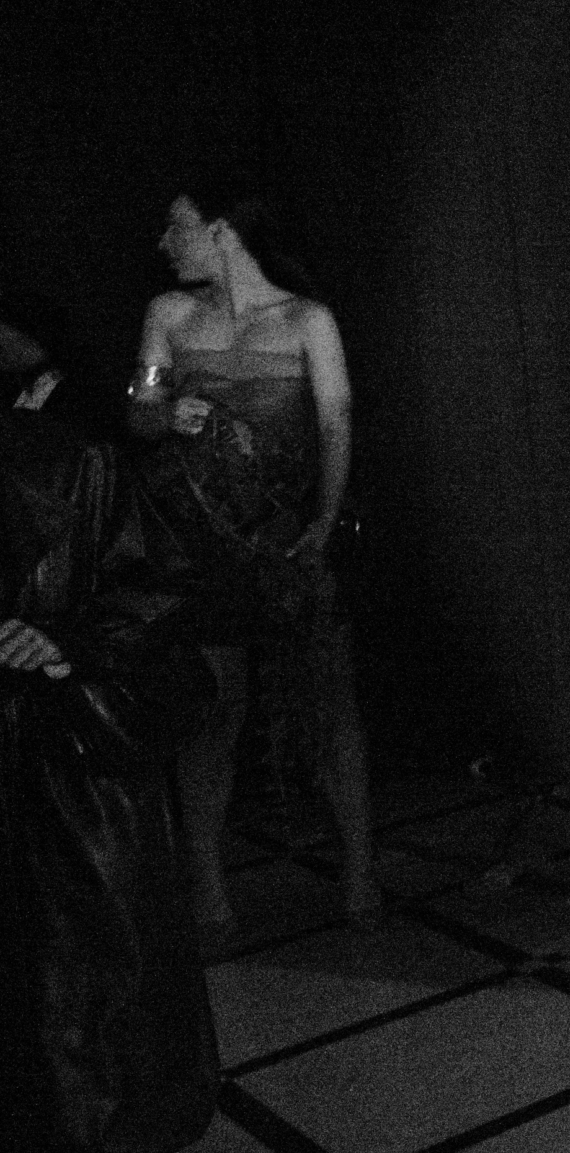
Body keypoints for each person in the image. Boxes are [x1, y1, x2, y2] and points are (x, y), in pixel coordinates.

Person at [0, 300, 217, 1153]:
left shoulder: (71, 468)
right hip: (65, 794)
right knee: (74, 1037)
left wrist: (67, 646)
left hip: (66, 796)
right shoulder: (73, 462)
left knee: (84, 1034)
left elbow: (157, 621)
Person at [127, 183, 374, 946]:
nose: (165, 241)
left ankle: (360, 871)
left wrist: (324, 523)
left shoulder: (306, 320)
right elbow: (137, 408)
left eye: (178, 225)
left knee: (327, 706)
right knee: (212, 712)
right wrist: (163, 411)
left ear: (222, 230)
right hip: (200, 548)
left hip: (287, 542)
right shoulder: (170, 315)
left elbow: (335, 422)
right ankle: (208, 888)